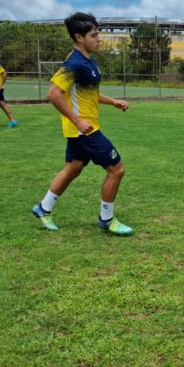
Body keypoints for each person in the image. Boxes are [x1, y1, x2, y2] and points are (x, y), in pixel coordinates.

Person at [32, 12, 133, 236]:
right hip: (84, 131)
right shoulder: (74, 63)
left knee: (73, 168)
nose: (99, 39)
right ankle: (106, 219)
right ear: (79, 37)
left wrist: (112, 101)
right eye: (94, 35)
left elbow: (89, 93)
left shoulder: (87, 61)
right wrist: (77, 120)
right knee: (117, 169)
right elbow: (54, 93)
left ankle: (43, 208)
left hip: (80, 130)